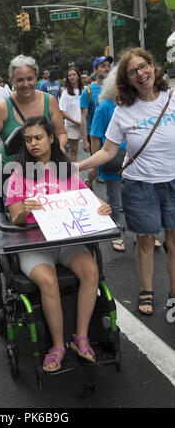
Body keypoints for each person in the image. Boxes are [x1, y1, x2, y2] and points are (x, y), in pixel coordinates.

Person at [5, 116, 112, 370]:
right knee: (48, 280)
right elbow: (15, 218)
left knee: (91, 271)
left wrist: (102, 208)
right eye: (28, 139)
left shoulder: (66, 172)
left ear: (51, 139)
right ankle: (57, 346)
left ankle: (81, 337)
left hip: (65, 241)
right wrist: (23, 211)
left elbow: (89, 203)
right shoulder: (18, 175)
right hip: (34, 244)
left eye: (38, 138)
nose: (33, 143)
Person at [79, 47, 175, 316]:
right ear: (127, 80)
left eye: (144, 66)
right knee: (146, 241)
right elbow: (108, 151)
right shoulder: (123, 111)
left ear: (153, 66)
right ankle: (147, 290)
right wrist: (78, 166)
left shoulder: (172, 98)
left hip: (173, 182)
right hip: (140, 185)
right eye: (133, 72)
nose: (141, 74)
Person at [0, 54, 67, 168]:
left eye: (30, 79)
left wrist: (59, 147)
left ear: (36, 77)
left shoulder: (50, 101)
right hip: (11, 172)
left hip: (45, 168)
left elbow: (61, 133)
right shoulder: (2, 107)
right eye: (20, 80)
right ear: (12, 80)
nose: (26, 84)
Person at [89, 66, 126, 252]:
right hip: (112, 160)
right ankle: (116, 232)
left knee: (134, 199)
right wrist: (95, 164)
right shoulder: (104, 106)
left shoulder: (133, 103)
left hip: (135, 162)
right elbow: (95, 136)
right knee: (114, 200)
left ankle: (142, 234)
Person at [80, 56, 113, 189]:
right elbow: (83, 116)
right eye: (102, 66)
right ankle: (89, 183)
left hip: (112, 134)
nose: (106, 68)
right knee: (96, 167)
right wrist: (85, 139)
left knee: (113, 165)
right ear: (95, 69)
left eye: (108, 65)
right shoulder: (88, 91)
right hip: (94, 135)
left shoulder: (115, 88)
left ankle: (114, 197)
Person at [59, 67, 83, 162]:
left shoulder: (85, 90)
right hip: (72, 125)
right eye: (69, 75)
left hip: (84, 125)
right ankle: (73, 174)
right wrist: (75, 122)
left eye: (74, 74)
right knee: (73, 151)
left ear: (78, 76)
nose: (72, 77)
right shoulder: (65, 93)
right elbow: (62, 111)